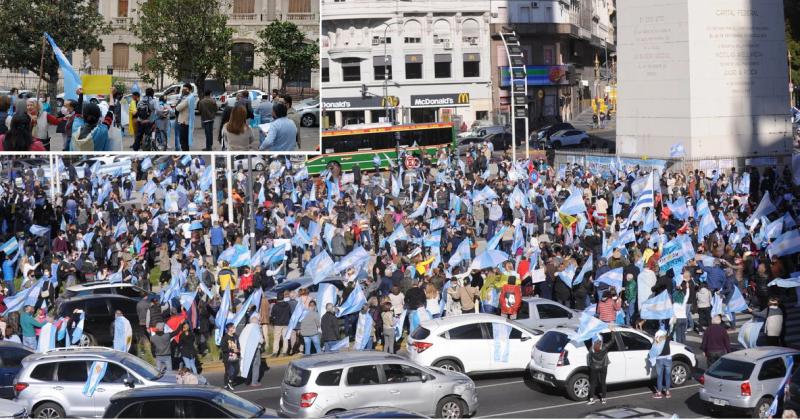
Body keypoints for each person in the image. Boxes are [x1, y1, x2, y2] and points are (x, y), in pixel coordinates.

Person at [587, 334, 613, 405]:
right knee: (603, 382)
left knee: (592, 383)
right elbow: (612, 341)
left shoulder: (591, 349)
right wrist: (612, 331)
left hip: (594, 367)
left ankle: (591, 399)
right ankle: (603, 399)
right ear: (601, 341)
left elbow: (589, 360)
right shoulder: (604, 347)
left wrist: (591, 367)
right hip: (603, 366)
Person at [651, 330, 672, 399]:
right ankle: (667, 392)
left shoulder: (657, 339)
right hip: (668, 358)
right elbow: (670, 330)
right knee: (667, 376)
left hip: (659, 359)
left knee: (660, 376)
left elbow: (653, 348)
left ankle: (659, 393)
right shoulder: (667, 338)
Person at [270, 292, 292, 356]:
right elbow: (290, 314)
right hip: (286, 323)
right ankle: (285, 352)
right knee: (285, 338)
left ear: (277, 298)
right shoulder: (287, 305)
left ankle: (275, 352)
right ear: (283, 298)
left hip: (277, 324)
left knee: (276, 339)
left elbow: (272, 315)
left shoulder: (275, 306)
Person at [220, 322, 240, 391]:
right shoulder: (225, 337)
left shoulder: (236, 336)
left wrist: (238, 350)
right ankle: (228, 383)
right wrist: (231, 350)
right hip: (228, 357)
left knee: (237, 370)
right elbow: (223, 348)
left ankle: (229, 381)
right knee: (228, 371)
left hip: (235, 356)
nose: (235, 329)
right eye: (233, 327)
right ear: (230, 329)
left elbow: (238, 345)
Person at [174, 83, 194, 151]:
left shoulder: (188, 98)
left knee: (183, 141)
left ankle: (185, 155)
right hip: (186, 121)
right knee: (185, 141)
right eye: (183, 89)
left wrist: (181, 97)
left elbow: (178, 108)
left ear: (190, 90)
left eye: (186, 89)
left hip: (184, 122)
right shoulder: (191, 97)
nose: (184, 91)